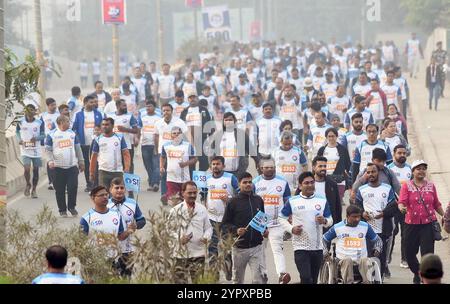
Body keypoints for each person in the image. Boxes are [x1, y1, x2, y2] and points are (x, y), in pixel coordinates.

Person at [280, 172, 333, 284]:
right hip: (300, 247)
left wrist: (324, 220)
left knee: (313, 279)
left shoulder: (322, 200)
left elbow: (330, 220)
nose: (310, 185)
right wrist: (291, 228)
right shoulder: (293, 201)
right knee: (305, 277)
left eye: (312, 182)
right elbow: (281, 218)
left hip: (317, 247)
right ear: (300, 186)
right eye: (306, 183)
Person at [398, 160, 445, 284]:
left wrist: (444, 215)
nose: (421, 171)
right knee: (409, 253)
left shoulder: (431, 185)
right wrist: (401, 207)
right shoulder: (406, 186)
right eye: (418, 169)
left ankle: (425, 279)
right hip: (411, 224)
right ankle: (418, 273)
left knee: (427, 255)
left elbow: (436, 204)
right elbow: (401, 201)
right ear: (413, 171)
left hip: (428, 225)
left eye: (424, 168)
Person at [221, 172, 268, 284]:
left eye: (250, 182)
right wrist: (236, 230)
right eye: (245, 182)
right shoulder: (233, 202)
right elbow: (225, 224)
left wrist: (265, 230)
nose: (248, 184)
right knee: (238, 280)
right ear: (239, 184)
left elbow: (262, 219)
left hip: (256, 247)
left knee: (258, 280)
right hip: (239, 248)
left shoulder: (258, 200)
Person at [355, 163, 398, 280]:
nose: (370, 174)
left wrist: (383, 214)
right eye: (368, 172)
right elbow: (357, 206)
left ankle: (380, 278)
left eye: (373, 172)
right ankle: (369, 279)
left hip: (384, 230)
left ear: (378, 172)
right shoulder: (362, 189)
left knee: (382, 259)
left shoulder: (387, 188)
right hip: (367, 231)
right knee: (368, 258)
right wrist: (362, 213)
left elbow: (394, 206)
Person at [253, 159, 292, 284]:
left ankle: (282, 274)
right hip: (260, 222)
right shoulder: (255, 183)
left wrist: (289, 216)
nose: (270, 169)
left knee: (277, 250)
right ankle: (262, 275)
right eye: (267, 167)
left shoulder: (282, 181)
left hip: (277, 222)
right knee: (259, 251)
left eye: (272, 167)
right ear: (260, 168)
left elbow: (287, 200)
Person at [322, 205, 383, 284]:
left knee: (366, 260)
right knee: (348, 260)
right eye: (354, 217)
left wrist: (377, 249)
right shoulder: (337, 227)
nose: (357, 219)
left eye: (359, 217)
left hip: (361, 261)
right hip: (342, 261)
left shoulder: (365, 226)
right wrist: (325, 252)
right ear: (347, 216)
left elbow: (377, 240)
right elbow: (323, 239)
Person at [169, 181, 212, 284]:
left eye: (194, 193)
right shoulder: (175, 211)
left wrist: (206, 237)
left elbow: (208, 228)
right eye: (189, 193)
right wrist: (179, 238)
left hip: (198, 253)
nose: (193, 195)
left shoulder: (202, 209)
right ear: (183, 193)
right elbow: (169, 230)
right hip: (180, 254)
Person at [204, 156, 239, 280]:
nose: (215, 166)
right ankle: (214, 274)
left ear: (223, 166)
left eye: (218, 164)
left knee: (226, 247)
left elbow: (239, 195)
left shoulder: (231, 178)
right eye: (213, 164)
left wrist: (229, 200)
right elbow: (203, 193)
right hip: (211, 218)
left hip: (226, 219)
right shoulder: (207, 179)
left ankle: (228, 268)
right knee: (212, 247)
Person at [46, 115, 84, 217]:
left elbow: (77, 148)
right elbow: (48, 150)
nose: (69, 123)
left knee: (72, 187)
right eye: (67, 121)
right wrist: (50, 161)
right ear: (61, 123)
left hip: (72, 167)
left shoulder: (72, 133)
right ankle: (62, 210)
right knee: (60, 190)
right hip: (58, 168)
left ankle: (72, 207)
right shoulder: (51, 135)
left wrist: (81, 161)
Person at [80, 186, 134, 259]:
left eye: (106, 194)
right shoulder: (86, 218)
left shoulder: (117, 215)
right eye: (101, 195)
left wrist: (128, 231)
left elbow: (120, 237)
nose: (105, 197)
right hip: (96, 261)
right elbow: (80, 241)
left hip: (114, 259)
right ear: (93, 198)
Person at [107, 178, 146, 277]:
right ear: (111, 189)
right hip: (109, 249)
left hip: (128, 248)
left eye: (122, 188)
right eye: (116, 188)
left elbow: (142, 220)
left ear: (125, 189)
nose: (119, 190)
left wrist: (136, 225)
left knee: (126, 276)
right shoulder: (105, 204)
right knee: (111, 277)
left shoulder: (132, 203)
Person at [206, 112, 258, 177]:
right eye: (226, 120)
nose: (228, 122)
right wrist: (211, 165)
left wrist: (257, 161)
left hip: (238, 171)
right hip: (221, 172)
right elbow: (211, 152)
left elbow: (251, 149)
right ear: (223, 121)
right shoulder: (217, 135)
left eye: (230, 120)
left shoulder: (241, 134)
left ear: (234, 121)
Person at [154, 103, 188, 201]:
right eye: (164, 110)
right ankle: (164, 195)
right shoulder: (158, 123)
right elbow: (156, 136)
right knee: (164, 173)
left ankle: (179, 196)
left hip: (177, 152)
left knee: (175, 173)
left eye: (168, 110)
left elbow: (186, 136)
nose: (166, 112)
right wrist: (156, 149)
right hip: (163, 152)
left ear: (172, 111)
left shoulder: (180, 122)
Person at [72, 95, 104, 192]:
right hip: (83, 144)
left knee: (97, 164)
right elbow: (74, 128)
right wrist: (77, 138)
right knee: (86, 164)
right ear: (85, 103)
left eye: (94, 102)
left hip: (96, 144)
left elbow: (102, 127)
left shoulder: (98, 113)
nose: (93, 104)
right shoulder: (78, 114)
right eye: (91, 102)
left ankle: (97, 184)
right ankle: (89, 184)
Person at [387, 144, 412, 269]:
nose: (402, 155)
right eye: (399, 153)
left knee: (406, 234)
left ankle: (404, 259)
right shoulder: (388, 169)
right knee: (392, 232)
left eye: (404, 153)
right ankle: (388, 257)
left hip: (407, 207)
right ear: (394, 154)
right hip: (393, 205)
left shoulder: (410, 169)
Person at [160, 127, 197, 206]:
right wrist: (161, 166)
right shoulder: (166, 146)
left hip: (184, 178)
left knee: (185, 199)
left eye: (178, 133)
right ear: (171, 135)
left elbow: (195, 159)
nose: (176, 135)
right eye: (174, 133)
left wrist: (185, 163)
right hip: (171, 177)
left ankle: (166, 196)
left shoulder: (188, 146)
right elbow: (163, 157)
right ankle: (169, 198)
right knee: (175, 200)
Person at [89, 118, 131, 189]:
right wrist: (92, 172)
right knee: (104, 195)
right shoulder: (98, 139)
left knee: (117, 195)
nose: (104, 126)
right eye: (103, 125)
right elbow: (94, 157)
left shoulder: (119, 137)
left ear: (112, 126)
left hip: (117, 171)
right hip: (103, 171)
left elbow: (126, 153)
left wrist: (127, 168)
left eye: (107, 124)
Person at [16, 104, 45, 198]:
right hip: (25, 150)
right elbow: (17, 131)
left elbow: (43, 135)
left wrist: (36, 138)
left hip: (36, 150)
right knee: (27, 169)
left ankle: (34, 190)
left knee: (36, 170)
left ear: (35, 112)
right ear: (25, 111)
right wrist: (19, 139)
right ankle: (28, 184)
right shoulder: (20, 121)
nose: (30, 112)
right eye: (28, 110)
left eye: (32, 110)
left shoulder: (39, 122)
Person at [303, 156, 342, 224]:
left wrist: (338, 225)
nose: (323, 168)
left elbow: (337, 206)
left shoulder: (332, 184)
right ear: (313, 167)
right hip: (309, 221)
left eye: (325, 166)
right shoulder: (305, 183)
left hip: (327, 221)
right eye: (320, 166)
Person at [317, 128, 351, 202]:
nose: (331, 138)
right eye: (329, 136)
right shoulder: (322, 150)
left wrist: (348, 178)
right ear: (326, 137)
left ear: (336, 136)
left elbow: (348, 164)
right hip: (325, 179)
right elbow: (317, 164)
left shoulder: (343, 149)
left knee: (338, 202)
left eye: (333, 136)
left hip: (339, 179)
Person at [180, 94, 212, 171]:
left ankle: (200, 177)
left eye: (194, 97)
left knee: (204, 161)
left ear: (197, 98)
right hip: (188, 141)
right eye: (190, 98)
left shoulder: (203, 110)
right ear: (188, 99)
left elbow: (209, 124)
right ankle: (191, 179)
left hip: (201, 139)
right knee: (191, 161)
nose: (192, 99)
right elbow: (180, 125)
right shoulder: (185, 111)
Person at [139, 100, 161, 192]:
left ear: (154, 108)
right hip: (144, 144)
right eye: (146, 106)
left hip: (155, 144)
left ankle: (155, 183)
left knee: (156, 165)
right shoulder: (142, 117)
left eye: (150, 106)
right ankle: (152, 182)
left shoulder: (158, 118)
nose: (148, 108)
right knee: (148, 165)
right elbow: (139, 128)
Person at [40, 98, 59, 190]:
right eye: (52, 105)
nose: (54, 107)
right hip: (48, 142)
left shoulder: (59, 115)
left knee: (57, 161)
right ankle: (51, 181)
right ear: (48, 106)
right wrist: (41, 141)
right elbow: (41, 129)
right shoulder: (43, 116)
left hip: (57, 141)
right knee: (49, 161)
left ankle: (57, 180)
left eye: (55, 104)